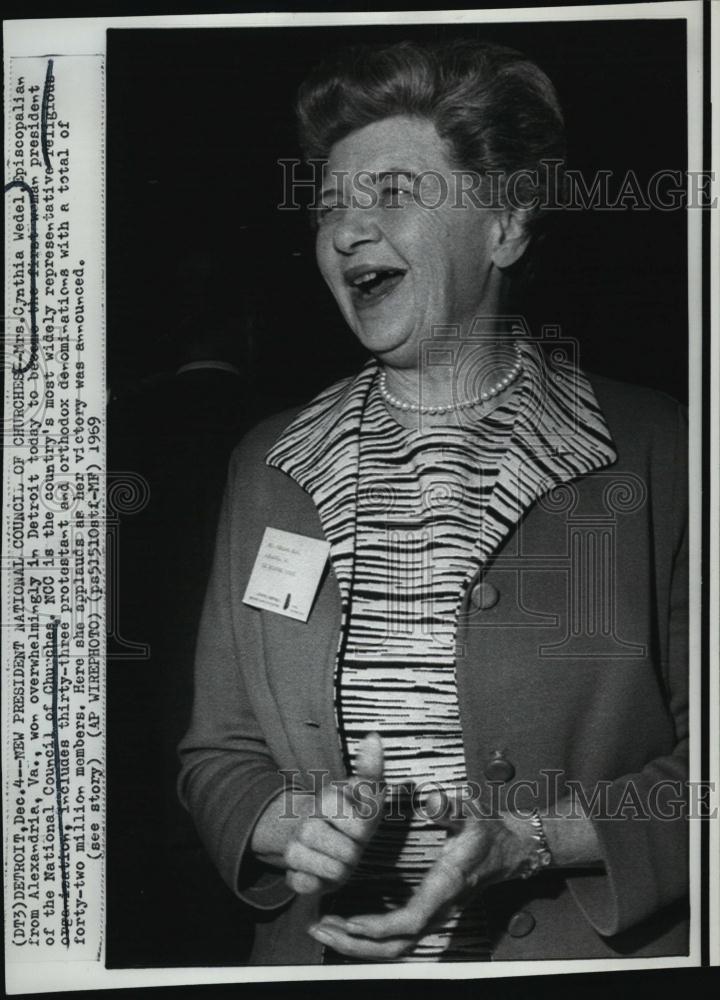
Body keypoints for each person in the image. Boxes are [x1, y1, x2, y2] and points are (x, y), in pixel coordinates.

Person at [178, 39, 688, 964]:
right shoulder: (267, 467)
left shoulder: (666, 453)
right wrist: (288, 825)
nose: (344, 232)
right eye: (330, 206)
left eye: (394, 196)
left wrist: (532, 840)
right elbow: (216, 753)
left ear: (505, 226)